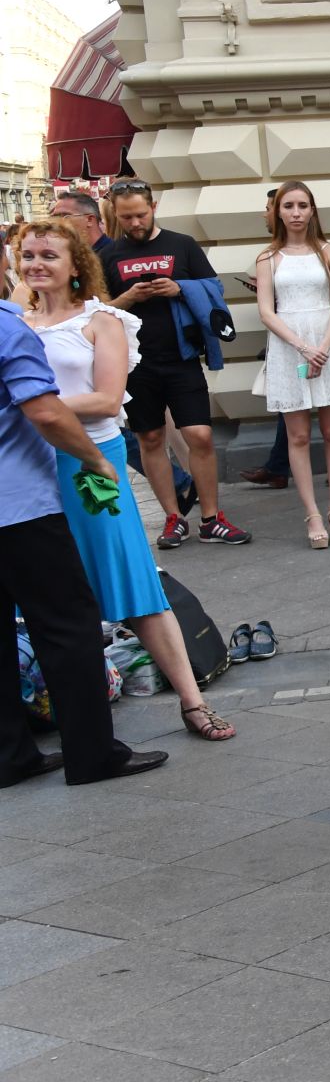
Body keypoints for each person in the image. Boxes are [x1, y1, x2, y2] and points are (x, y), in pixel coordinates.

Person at [17, 218, 236, 742]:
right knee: (46, 592)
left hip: (92, 462)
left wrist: (27, 404)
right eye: (27, 256)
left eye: (49, 255)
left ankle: (193, 701)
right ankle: (63, 706)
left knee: (132, 583)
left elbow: (107, 400)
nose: (36, 265)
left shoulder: (103, 320)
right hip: (29, 467)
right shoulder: (15, 322)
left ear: (76, 265)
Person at [0, 298, 167, 786]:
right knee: (67, 626)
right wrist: (95, 459)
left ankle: (11, 756)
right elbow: (46, 412)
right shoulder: (7, 327)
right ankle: (93, 754)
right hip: (19, 506)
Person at [96, 181, 251, 548]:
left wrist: (180, 289)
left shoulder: (182, 244)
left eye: (141, 214)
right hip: (135, 363)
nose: (135, 222)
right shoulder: (109, 256)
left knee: (200, 435)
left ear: (154, 207)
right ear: (115, 215)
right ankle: (172, 517)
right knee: (150, 438)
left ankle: (212, 518)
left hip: (182, 358)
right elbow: (98, 310)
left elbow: (213, 287)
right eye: (126, 216)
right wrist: (128, 298)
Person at [254, 182, 330, 549]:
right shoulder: (267, 258)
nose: (296, 212)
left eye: (303, 205)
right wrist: (302, 347)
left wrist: (323, 347)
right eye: (289, 206)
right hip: (289, 348)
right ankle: (312, 513)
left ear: (313, 210)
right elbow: (267, 311)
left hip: (328, 344)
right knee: (298, 435)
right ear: (278, 212)